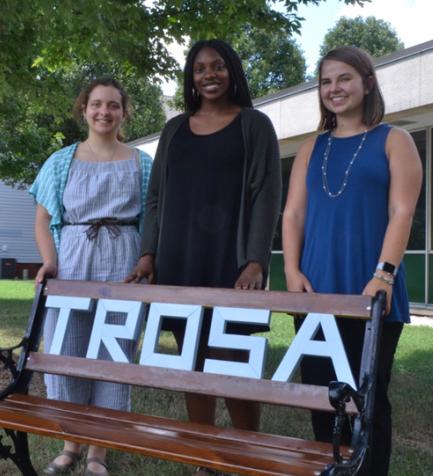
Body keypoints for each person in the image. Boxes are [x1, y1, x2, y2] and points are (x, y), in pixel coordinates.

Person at [127, 39, 281, 476]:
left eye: (217, 67)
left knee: (235, 361)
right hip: (179, 259)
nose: (208, 75)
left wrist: (255, 260)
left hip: (231, 264)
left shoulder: (254, 124)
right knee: (192, 360)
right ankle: (206, 457)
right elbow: (156, 197)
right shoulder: (175, 128)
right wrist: (149, 252)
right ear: (190, 78)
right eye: (199, 69)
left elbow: (266, 196)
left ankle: (247, 456)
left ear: (232, 71)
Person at [282, 46, 422, 475]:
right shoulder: (311, 148)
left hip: (372, 292)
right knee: (322, 398)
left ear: (367, 82)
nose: (334, 88)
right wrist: (291, 270)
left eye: (344, 78)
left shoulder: (395, 140)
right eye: (326, 81)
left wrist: (384, 274)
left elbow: (403, 212)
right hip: (316, 293)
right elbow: (293, 214)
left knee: (368, 400)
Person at [29, 77, 153, 476]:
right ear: (83, 109)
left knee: (113, 357)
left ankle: (99, 450)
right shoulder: (61, 161)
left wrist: (147, 259)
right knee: (66, 353)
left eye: (113, 105)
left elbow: (153, 220)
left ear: (124, 112)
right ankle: (70, 444)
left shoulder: (141, 163)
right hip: (73, 262)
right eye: (96, 104)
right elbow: (43, 220)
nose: (104, 112)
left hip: (124, 262)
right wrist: (50, 261)